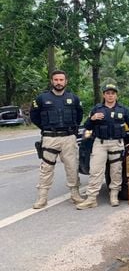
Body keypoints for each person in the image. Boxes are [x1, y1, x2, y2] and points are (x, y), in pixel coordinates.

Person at [76, 84, 129, 209]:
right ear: (104, 95)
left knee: (116, 171)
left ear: (116, 95)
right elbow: (87, 127)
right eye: (108, 93)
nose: (110, 95)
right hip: (100, 143)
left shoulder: (123, 110)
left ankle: (114, 195)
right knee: (95, 171)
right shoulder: (97, 109)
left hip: (117, 144)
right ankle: (91, 198)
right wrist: (92, 118)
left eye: (113, 93)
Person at [30, 70, 84, 209]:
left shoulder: (74, 98)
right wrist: (47, 128)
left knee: (72, 167)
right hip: (50, 138)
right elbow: (34, 116)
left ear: (66, 81)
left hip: (69, 138)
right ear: (51, 81)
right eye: (56, 80)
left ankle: (75, 194)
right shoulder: (41, 98)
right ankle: (42, 197)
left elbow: (79, 115)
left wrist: (72, 129)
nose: (58, 82)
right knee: (46, 168)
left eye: (61, 80)